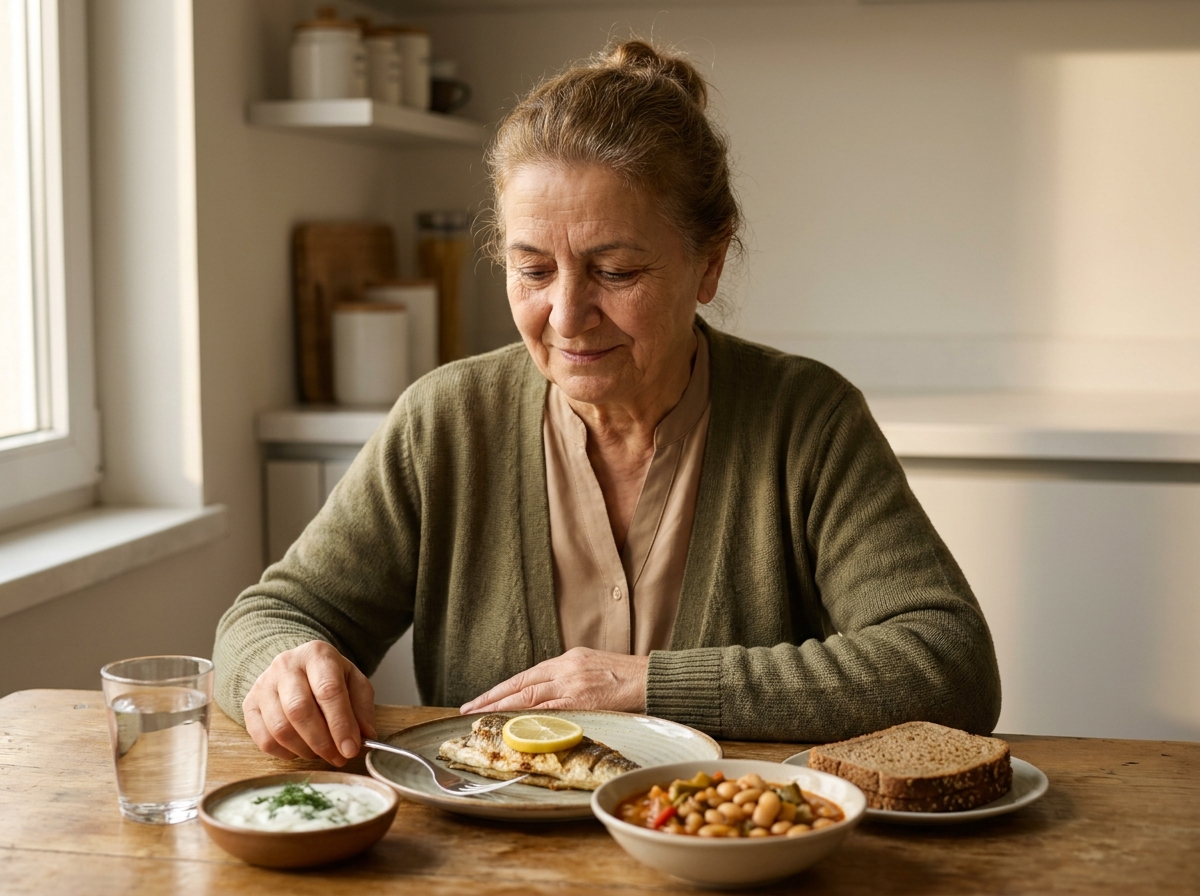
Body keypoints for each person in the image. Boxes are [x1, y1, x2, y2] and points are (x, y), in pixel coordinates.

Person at [213, 40, 1002, 768]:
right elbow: (267, 618)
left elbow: (947, 663)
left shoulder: (805, 420)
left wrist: (650, 684)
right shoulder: (445, 422)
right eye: (532, 270)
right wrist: (282, 668)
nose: (565, 316)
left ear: (709, 265)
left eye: (615, 271)